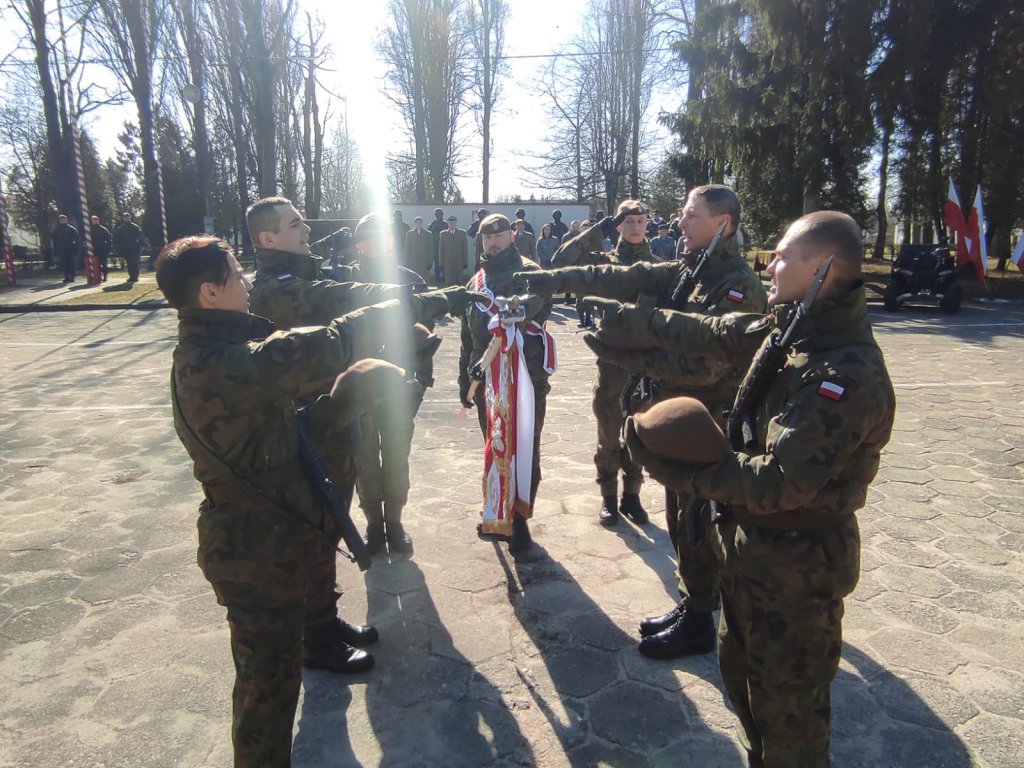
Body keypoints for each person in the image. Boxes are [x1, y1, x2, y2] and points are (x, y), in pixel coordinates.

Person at [601, 210, 895, 768]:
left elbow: (782, 481)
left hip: (796, 574)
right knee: (744, 689)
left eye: (784, 255)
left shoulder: (845, 371)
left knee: (791, 725)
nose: (771, 263)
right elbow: (710, 332)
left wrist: (682, 472)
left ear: (824, 267)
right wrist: (626, 337)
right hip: (751, 553)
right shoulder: (794, 326)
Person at [156, 235, 414, 766]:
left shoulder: (217, 349)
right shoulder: (218, 361)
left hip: (273, 539)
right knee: (267, 692)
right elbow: (325, 343)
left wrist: (342, 403)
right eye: (236, 274)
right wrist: (400, 307)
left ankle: (317, 641)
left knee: (274, 677)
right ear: (210, 291)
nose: (247, 281)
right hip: (253, 554)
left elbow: (282, 439)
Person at [520, 186, 766, 659]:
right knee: (679, 517)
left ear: (724, 224)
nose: (681, 223)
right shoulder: (690, 268)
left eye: (692, 216)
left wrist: (628, 351)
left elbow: (707, 367)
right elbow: (617, 275)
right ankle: (693, 603)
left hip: (708, 425)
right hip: (680, 418)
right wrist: (554, 280)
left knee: (698, 523)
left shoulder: (736, 285)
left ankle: (701, 619)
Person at [247, 199, 465, 558]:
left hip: (398, 386)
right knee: (362, 458)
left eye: (378, 238)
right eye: (364, 239)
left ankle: (394, 521)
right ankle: (373, 525)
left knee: (396, 456)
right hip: (355, 386)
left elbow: (425, 339)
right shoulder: (341, 279)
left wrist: (418, 384)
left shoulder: (410, 282)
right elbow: (329, 310)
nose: (370, 245)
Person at [459, 214, 555, 554]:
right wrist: (463, 379)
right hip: (487, 383)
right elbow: (468, 337)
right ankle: (498, 512)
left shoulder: (530, 274)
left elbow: (528, 308)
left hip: (525, 380)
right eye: (486, 237)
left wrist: (507, 313)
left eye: (498, 234)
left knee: (524, 448)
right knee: (495, 446)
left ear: (512, 236)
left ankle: (520, 520)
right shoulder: (476, 282)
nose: (492, 241)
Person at [113, 212, 144, 283]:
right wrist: (119, 247)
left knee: (135, 262)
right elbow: (117, 238)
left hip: (134, 247)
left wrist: (141, 245)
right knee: (129, 262)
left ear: (129, 218)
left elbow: (140, 236)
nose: (126, 219)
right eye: (125, 217)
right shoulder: (121, 228)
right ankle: (131, 276)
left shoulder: (134, 226)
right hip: (126, 248)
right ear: (123, 218)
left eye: (127, 217)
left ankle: (135, 276)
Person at [439, 214, 469, 286]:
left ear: (456, 223)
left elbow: (465, 249)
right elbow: (441, 249)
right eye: (450, 223)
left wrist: (465, 262)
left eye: (453, 223)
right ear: (448, 224)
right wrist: (441, 263)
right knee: (449, 282)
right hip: (447, 263)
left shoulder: (462, 233)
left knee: (459, 282)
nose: (451, 225)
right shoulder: (443, 234)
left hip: (459, 262)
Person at [52, 214, 80, 283]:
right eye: (61, 220)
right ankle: (66, 277)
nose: (62, 221)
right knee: (64, 264)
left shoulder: (71, 229)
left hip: (70, 249)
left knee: (71, 264)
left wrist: (76, 249)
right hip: (62, 249)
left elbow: (77, 240)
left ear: (66, 220)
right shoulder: (57, 230)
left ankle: (72, 277)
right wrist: (56, 250)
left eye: (63, 219)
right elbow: (55, 241)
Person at [404, 215, 434, 280]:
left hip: (424, 261)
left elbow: (430, 249)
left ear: (422, 223)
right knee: (414, 278)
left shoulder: (428, 234)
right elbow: (407, 248)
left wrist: (430, 262)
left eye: (420, 222)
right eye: (417, 222)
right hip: (413, 261)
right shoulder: (409, 234)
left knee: (424, 279)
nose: (418, 224)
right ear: (414, 223)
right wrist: (407, 261)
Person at [427, 207, 447, 283]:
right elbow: (428, 232)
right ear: (436, 215)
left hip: (445, 247)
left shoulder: (445, 224)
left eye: (440, 214)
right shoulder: (433, 224)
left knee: (445, 265)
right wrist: (434, 228)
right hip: (436, 247)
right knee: (437, 265)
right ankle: (437, 280)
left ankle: (445, 279)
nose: (439, 216)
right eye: (437, 214)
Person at [90, 215, 112, 282]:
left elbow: (108, 239)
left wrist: (107, 248)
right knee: (96, 263)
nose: (94, 221)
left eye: (95, 220)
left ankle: (105, 277)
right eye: (93, 220)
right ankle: (98, 276)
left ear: (98, 221)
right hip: (94, 249)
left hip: (102, 249)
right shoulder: (90, 230)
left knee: (104, 263)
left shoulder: (103, 229)